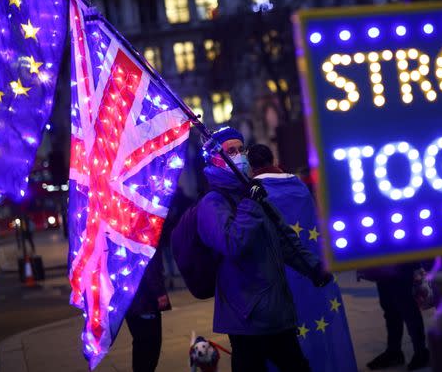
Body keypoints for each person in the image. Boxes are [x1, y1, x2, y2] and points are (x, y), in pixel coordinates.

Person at [196, 127, 333, 372]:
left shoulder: (251, 191)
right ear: (216, 159)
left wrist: (313, 267)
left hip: (275, 311)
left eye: (241, 150)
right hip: (247, 318)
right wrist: (249, 203)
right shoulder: (213, 202)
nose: (239, 155)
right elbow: (232, 243)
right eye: (231, 151)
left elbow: (283, 238)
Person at [247, 144, 359, 372]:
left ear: (251, 167)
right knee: (319, 320)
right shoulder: (298, 185)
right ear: (273, 159)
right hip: (312, 265)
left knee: (290, 335)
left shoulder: (254, 191)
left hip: (280, 274)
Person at [358, 262, 430, 370]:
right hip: (381, 263)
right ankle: (394, 352)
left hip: (400, 261)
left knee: (408, 309)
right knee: (390, 309)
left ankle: (420, 353)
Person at [125, 252, 170, 372]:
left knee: (140, 342)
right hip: (145, 301)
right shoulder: (145, 238)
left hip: (128, 300)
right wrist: (160, 292)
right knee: (150, 346)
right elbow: (150, 266)